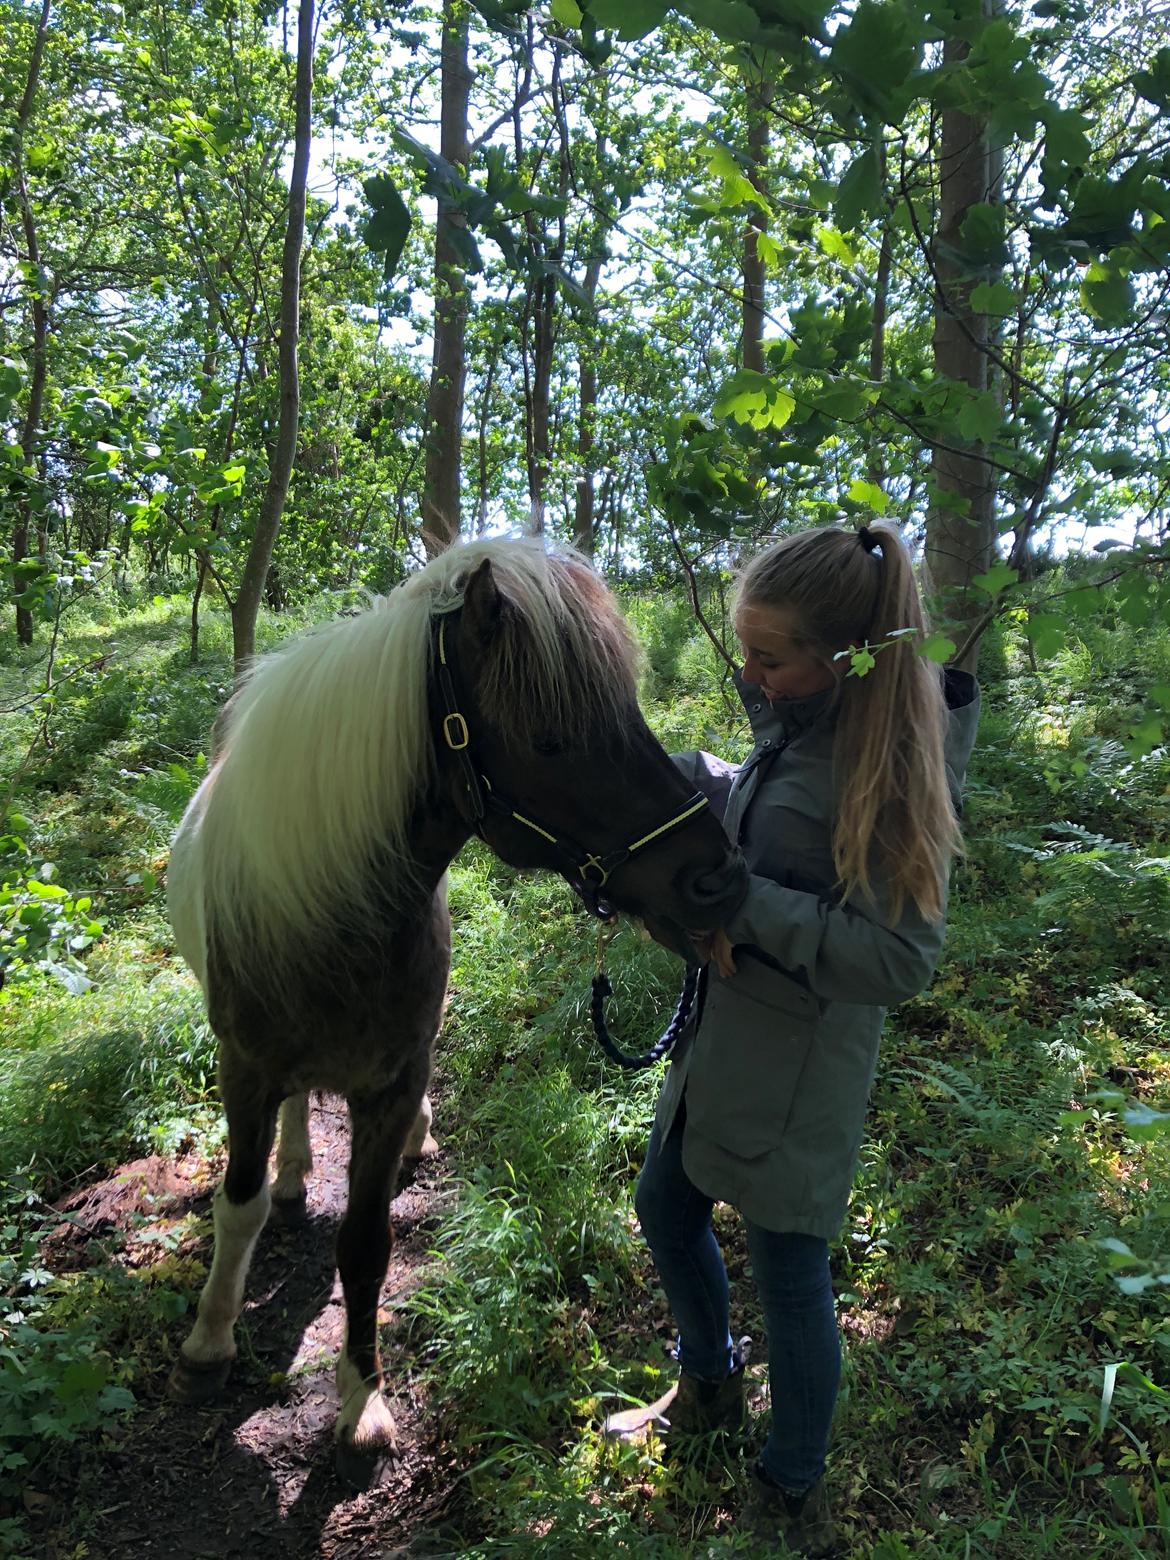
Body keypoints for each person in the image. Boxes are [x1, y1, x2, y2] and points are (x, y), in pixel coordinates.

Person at [604, 523, 980, 1556]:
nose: (750, 674)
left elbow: (900, 961)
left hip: (798, 1072)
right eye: (746, 650)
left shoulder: (894, 770)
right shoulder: (799, 718)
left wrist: (749, 905)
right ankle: (708, 1385)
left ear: (844, 657)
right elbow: (767, 807)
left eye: (769, 655)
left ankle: (790, 1487)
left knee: (789, 1275)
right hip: (718, 1037)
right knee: (662, 1206)